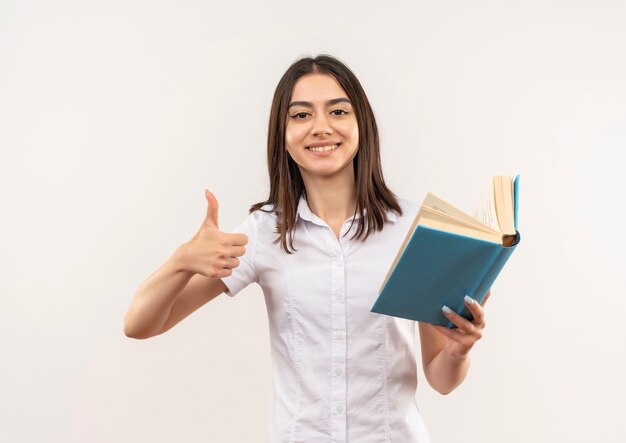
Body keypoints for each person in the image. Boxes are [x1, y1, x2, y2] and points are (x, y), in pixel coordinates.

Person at [124, 54, 491, 442]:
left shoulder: (415, 229)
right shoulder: (265, 232)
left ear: (360, 124)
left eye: (338, 111)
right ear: (281, 135)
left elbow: (441, 379)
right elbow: (140, 325)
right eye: (301, 115)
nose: (321, 127)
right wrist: (181, 261)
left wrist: (458, 350)